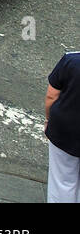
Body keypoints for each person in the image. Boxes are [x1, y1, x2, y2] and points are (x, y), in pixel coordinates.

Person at [46, 50, 80, 203]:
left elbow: (51, 96)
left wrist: (49, 120)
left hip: (65, 130)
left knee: (62, 180)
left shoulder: (71, 60)